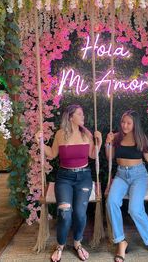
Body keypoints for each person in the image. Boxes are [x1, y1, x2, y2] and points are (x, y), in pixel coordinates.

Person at [35, 104, 102, 262]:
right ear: (71, 117)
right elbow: (51, 154)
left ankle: (77, 243)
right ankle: (60, 245)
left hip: (84, 177)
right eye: (80, 114)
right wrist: (39, 142)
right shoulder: (60, 134)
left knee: (80, 214)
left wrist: (99, 142)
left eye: (83, 114)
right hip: (64, 178)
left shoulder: (87, 134)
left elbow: (93, 155)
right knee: (65, 214)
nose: (83, 117)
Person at [105, 110, 148, 262]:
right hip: (120, 175)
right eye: (123, 122)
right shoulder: (117, 137)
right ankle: (120, 241)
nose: (125, 125)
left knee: (134, 209)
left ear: (134, 124)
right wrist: (108, 142)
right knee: (111, 202)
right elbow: (109, 157)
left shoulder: (140, 138)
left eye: (128, 123)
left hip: (138, 175)